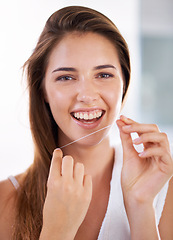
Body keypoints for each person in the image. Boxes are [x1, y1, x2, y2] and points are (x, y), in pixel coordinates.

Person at [0, 5, 173, 240]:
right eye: (66, 77)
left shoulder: (162, 187)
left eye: (103, 75)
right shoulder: (5, 201)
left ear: (124, 84)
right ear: (43, 91)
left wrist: (141, 206)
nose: (87, 95)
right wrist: (57, 232)